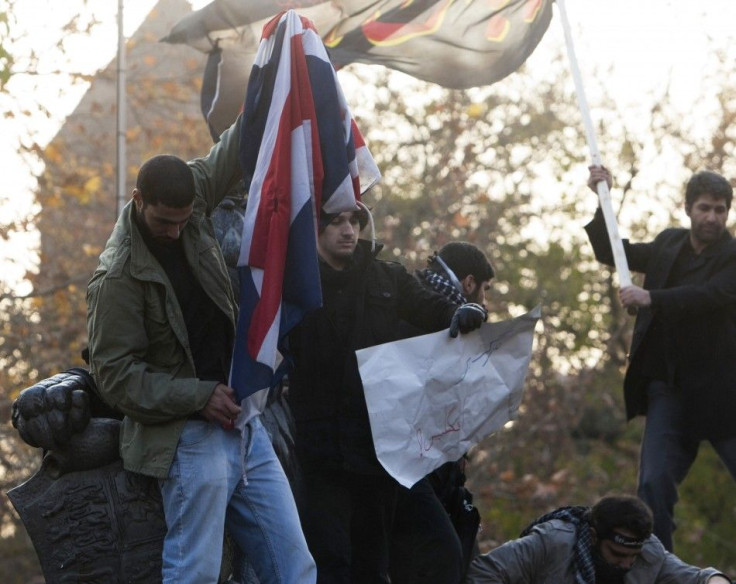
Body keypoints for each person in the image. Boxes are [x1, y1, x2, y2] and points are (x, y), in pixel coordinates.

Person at [86, 119, 316, 584]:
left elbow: (236, 145)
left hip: (246, 427)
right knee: (195, 574)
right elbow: (114, 377)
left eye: (184, 219)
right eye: (163, 222)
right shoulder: (117, 278)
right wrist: (198, 396)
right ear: (138, 201)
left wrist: (270, 70)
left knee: (296, 569)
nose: (174, 232)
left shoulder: (193, 198)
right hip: (186, 440)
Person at [285, 209, 488, 584]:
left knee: (373, 567)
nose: (349, 230)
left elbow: (434, 309)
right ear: (316, 226)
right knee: (329, 563)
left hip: (375, 452)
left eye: (355, 221)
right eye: (336, 221)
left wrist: (464, 311)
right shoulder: (293, 279)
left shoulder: (387, 277)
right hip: (318, 453)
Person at [584, 166, 736, 552]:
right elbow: (613, 251)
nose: (712, 218)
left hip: (725, 397)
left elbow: (711, 296)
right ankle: (659, 568)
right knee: (652, 484)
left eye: (720, 210)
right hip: (670, 392)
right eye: (704, 208)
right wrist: (603, 199)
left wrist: (651, 298)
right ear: (688, 209)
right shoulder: (669, 245)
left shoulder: (733, 257)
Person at [390, 242, 495, 584]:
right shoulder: (425, 312)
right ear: (468, 283)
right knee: (442, 554)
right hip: (407, 462)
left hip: (433, 466)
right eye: (486, 291)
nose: (486, 302)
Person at [465, 494, 731, 584]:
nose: (627, 564)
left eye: (632, 556)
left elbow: (697, 578)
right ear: (593, 537)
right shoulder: (553, 542)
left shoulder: (649, 553)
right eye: (617, 554)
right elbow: (484, 572)